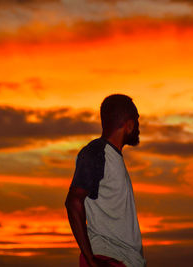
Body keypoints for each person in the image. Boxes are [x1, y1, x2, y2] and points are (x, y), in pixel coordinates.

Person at [65, 94, 146, 267]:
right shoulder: (97, 153)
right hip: (110, 260)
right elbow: (73, 202)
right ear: (129, 125)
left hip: (123, 261)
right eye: (137, 121)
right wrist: (90, 260)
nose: (139, 127)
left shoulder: (111, 157)